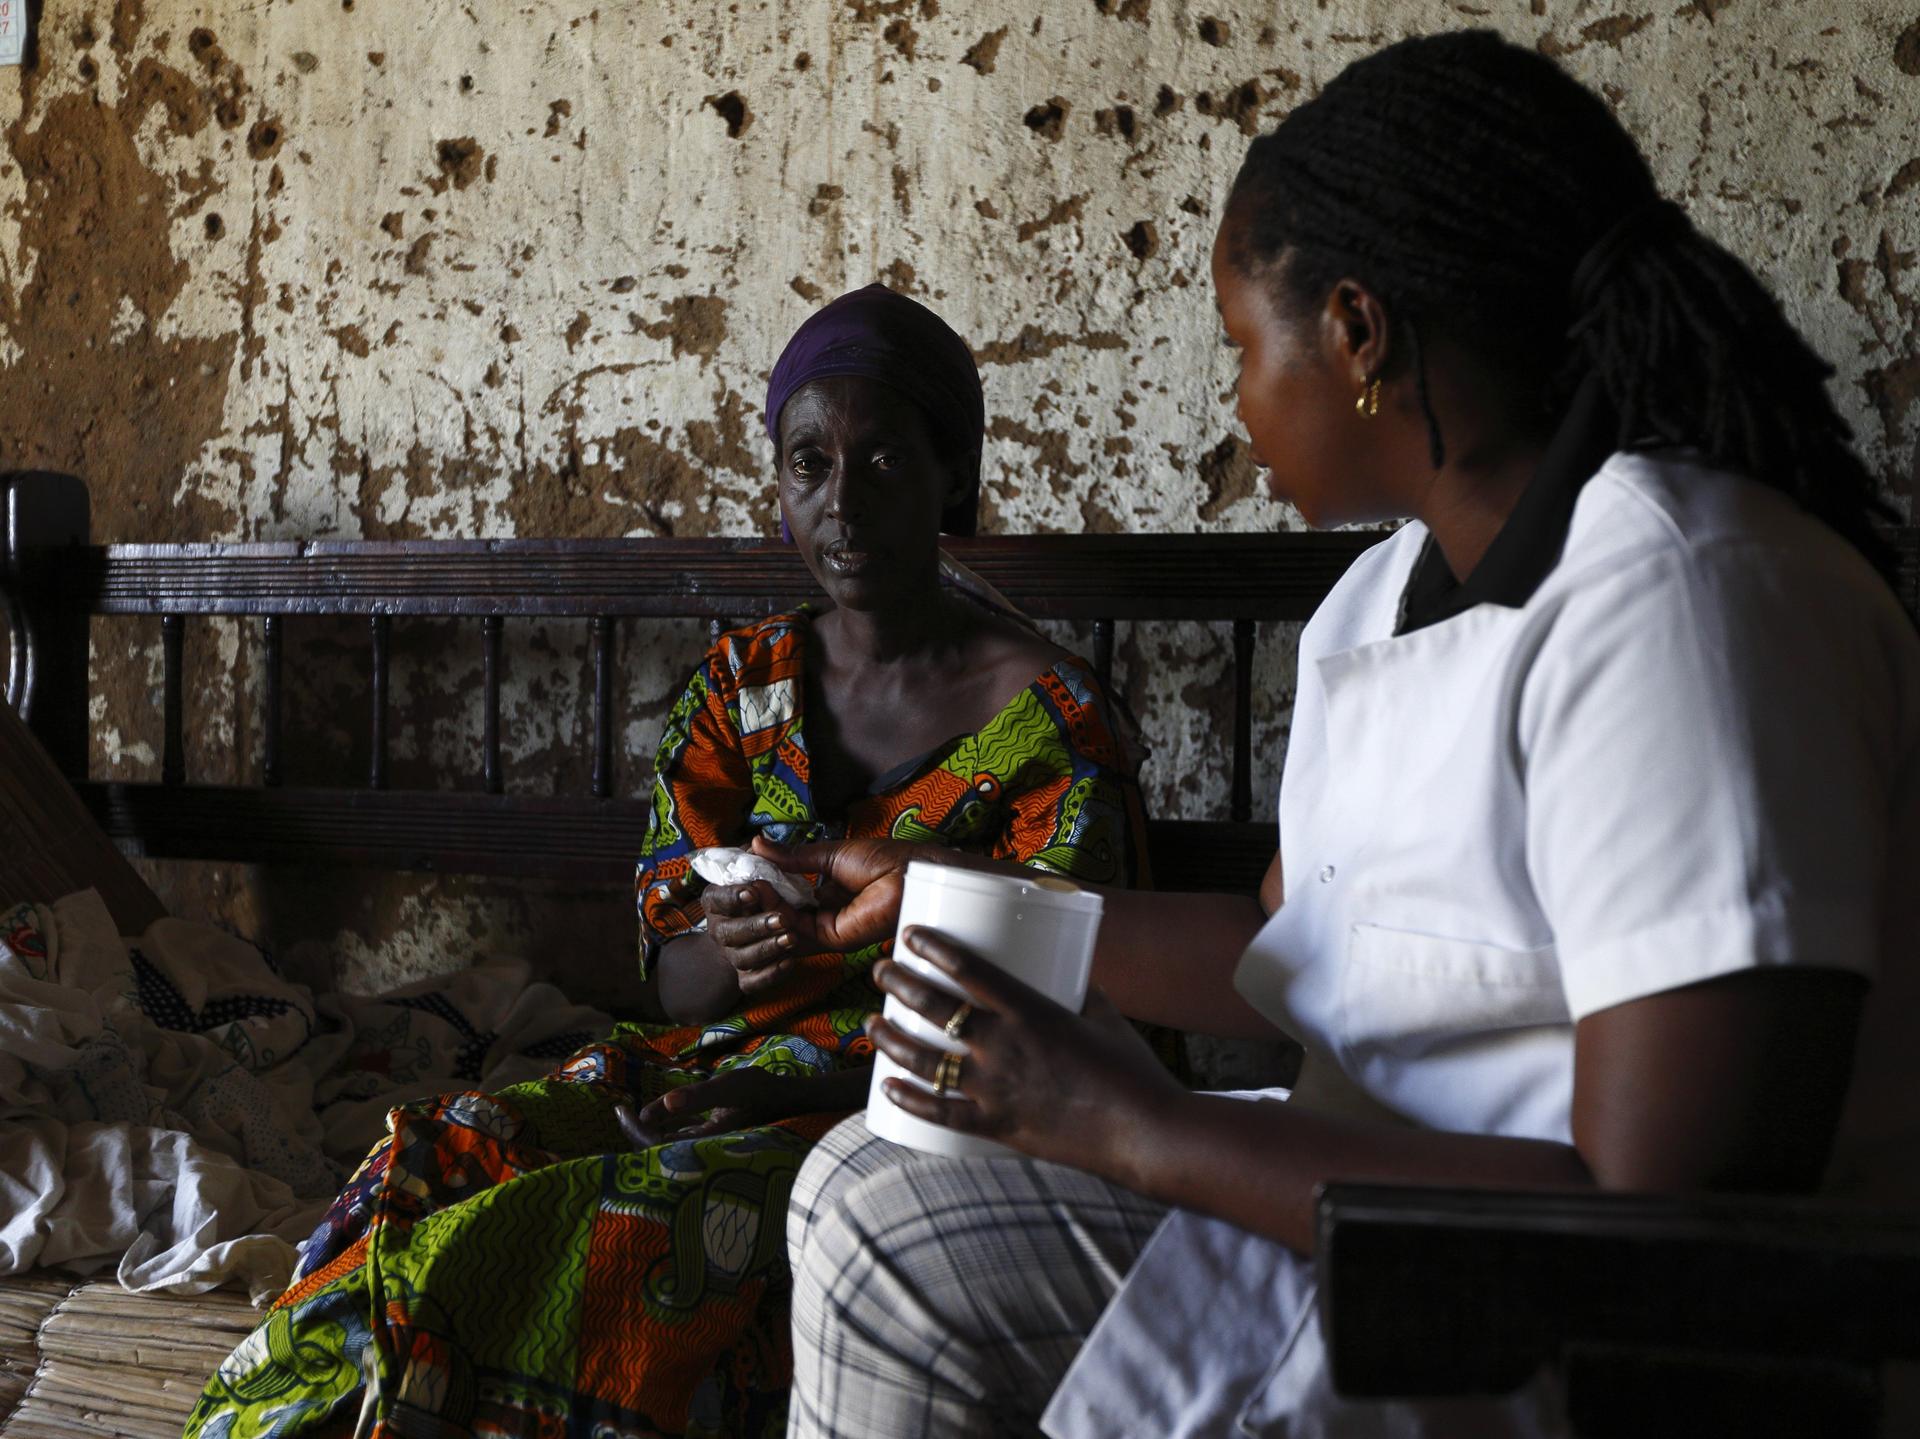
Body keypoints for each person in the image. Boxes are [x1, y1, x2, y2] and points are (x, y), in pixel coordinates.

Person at [773, 31, 1920, 1439]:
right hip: (1355, 1198)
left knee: (890, 1234)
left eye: (1247, 347)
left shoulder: (1682, 594)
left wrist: (1129, 1122)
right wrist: (952, 901)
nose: (1241, 401)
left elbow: (1665, 1221)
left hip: (1566, 1321)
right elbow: (1289, 950)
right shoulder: (1381, 600)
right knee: (856, 1176)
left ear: (1362, 336)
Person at [184, 285, 1150, 1439]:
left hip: (922, 1109)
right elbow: (672, 980)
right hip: (702, 1067)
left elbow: (1055, 1021)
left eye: (886, 459)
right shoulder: (740, 688)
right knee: (449, 1153)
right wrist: (732, 960)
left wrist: (778, 1089)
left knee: (625, 1220)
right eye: (810, 463)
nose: (843, 503)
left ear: (954, 474)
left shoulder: (1055, 724)